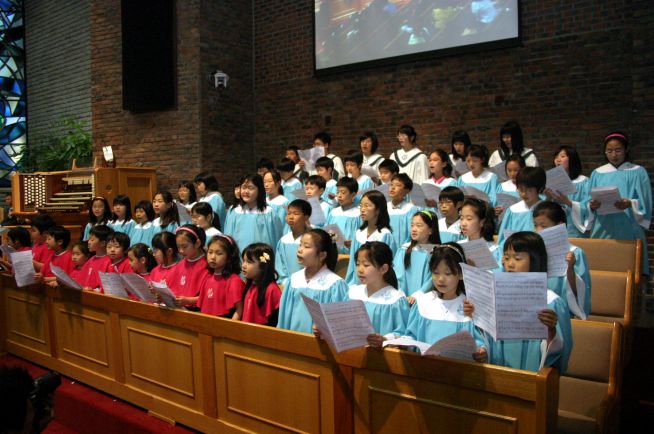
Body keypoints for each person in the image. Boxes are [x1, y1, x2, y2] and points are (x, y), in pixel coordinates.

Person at [466, 232, 572, 373]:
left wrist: (551, 330)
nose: (510, 264)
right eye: (507, 258)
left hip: (532, 375)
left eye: (517, 258)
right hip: (497, 371)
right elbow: (488, 337)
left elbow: (561, 352)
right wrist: (475, 315)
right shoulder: (496, 295)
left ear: (534, 260)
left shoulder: (552, 302)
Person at [368, 243, 487, 363]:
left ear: (461, 274)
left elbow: (478, 342)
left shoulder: (468, 306)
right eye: (436, 272)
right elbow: (411, 336)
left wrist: (481, 351)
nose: (441, 279)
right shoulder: (423, 303)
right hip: (424, 370)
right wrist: (398, 343)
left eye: (448, 273)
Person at [588, 132, 651, 277]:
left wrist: (630, 203)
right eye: (609, 151)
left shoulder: (637, 172)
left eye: (618, 150)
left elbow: (645, 202)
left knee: (630, 270)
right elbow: (587, 200)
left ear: (626, 150)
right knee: (602, 271)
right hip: (603, 227)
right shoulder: (597, 173)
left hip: (629, 227)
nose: (614, 155)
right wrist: (592, 206)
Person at [277, 229, 349, 333]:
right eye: (300, 245)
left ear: (322, 255)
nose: (300, 250)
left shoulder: (334, 285)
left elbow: (340, 322)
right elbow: (284, 318)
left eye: (306, 246)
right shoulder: (293, 280)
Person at [338, 242, 410, 339]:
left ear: (383, 269)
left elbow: (405, 334)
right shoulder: (353, 293)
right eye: (358, 264)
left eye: (366, 265)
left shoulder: (396, 300)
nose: (360, 270)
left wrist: (386, 339)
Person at [533, 201, 591, 319]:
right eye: (535, 225)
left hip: (561, 315)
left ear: (559, 226)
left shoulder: (575, 252)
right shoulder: (533, 250)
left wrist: (570, 268)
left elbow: (580, 295)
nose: (538, 231)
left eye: (544, 226)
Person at [345, 190, 397, 284]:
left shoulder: (385, 235)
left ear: (378, 210)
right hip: (357, 283)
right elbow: (352, 264)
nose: (362, 209)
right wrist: (349, 283)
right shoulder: (358, 233)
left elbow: (390, 264)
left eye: (367, 205)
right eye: (361, 205)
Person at [224, 174, 283, 252]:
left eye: (250, 188)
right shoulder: (235, 212)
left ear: (259, 190)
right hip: (238, 260)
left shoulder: (269, 213)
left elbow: (275, 239)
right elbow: (228, 239)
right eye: (244, 187)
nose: (246, 191)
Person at [545, 146, 591, 238]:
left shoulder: (584, 182)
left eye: (562, 156)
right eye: (556, 157)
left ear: (572, 159)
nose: (558, 160)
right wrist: (548, 197)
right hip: (556, 227)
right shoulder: (550, 181)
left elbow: (589, 208)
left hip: (575, 230)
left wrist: (568, 202)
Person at [393, 210, 441, 302]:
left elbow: (433, 278)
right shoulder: (404, 249)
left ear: (431, 230)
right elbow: (396, 275)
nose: (414, 229)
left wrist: (418, 295)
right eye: (412, 225)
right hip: (402, 298)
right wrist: (401, 295)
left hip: (424, 300)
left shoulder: (436, 252)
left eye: (419, 226)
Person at [196, 234, 244, 318]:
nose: (213, 257)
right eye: (210, 252)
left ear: (229, 257)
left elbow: (239, 310)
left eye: (219, 253)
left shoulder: (234, 280)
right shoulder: (207, 278)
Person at [498, 167, 546, 245]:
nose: (524, 193)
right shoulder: (512, 211)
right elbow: (503, 241)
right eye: (520, 189)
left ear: (540, 189)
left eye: (529, 190)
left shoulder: (547, 210)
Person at [170, 225, 211, 309]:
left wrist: (189, 301)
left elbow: (210, 296)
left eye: (184, 247)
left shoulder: (208, 265)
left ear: (197, 243)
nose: (181, 251)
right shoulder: (180, 264)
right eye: (178, 247)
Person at [241, 243, 282, 326]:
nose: (243, 266)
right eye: (243, 261)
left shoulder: (272, 289)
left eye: (249, 262)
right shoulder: (249, 285)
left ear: (263, 265)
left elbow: (275, 320)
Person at [458, 198, 502, 271]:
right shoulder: (458, 246)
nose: (463, 223)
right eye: (461, 218)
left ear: (482, 222)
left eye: (469, 219)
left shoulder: (494, 250)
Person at [275, 199, 311, 286]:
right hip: (286, 284)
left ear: (306, 217)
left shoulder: (312, 239)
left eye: (296, 214)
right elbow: (279, 266)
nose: (291, 217)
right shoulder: (284, 240)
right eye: (289, 213)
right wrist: (286, 282)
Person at [325, 176, 361, 253]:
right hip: (333, 253)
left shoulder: (358, 214)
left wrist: (354, 243)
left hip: (352, 254)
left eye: (343, 192)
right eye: (337, 192)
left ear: (353, 194)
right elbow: (328, 231)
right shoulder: (333, 212)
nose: (339, 195)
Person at [387, 173, 420, 248]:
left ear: (406, 191)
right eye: (391, 185)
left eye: (398, 185)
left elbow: (412, 232)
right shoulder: (384, 207)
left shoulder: (411, 209)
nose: (393, 188)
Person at [79, 225, 114, 292]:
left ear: (103, 243)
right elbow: (80, 280)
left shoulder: (108, 261)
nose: (88, 242)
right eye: (89, 239)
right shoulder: (92, 259)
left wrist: (94, 290)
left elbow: (106, 288)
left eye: (92, 240)